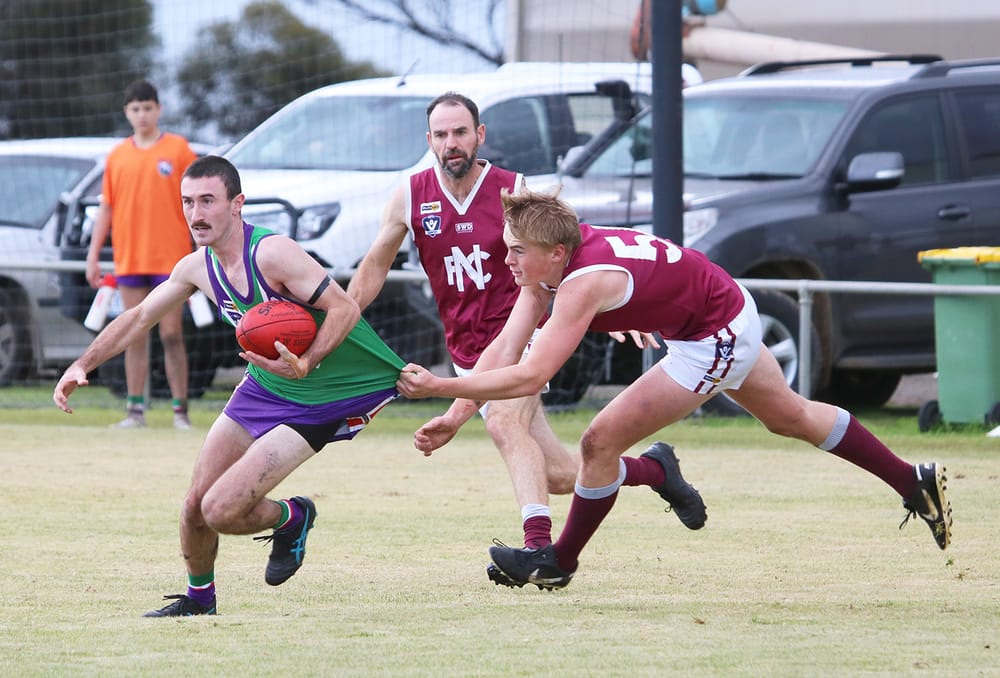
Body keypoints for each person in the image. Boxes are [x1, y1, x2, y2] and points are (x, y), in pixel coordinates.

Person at [397, 187, 953, 590]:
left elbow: (530, 375)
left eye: (516, 250)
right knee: (790, 417)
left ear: (556, 253)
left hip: (713, 336)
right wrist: (455, 412)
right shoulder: (553, 262)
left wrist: (440, 383)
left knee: (597, 444)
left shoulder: (578, 282)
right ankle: (913, 480)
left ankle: (557, 561)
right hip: (722, 306)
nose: (506, 257)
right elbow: (503, 351)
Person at [347, 92, 706, 586]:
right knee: (560, 475)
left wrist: (619, 302)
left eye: (461, 132)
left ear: (480, 135)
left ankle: (539, 552)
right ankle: (656, 471)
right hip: (469, 350)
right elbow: (374, 268)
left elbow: (575, 247)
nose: (452, 143)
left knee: (505, 426)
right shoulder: (409, 195)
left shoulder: (513, 191)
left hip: (526, 331)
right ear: (428, 140)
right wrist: (340, 320)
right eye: (442, 134)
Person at [55, 156, 405, 616]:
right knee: (194, 506)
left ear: (237, 204)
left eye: (208, 201)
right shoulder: (196, 267)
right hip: (265, 387)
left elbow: (344, 309)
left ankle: (293, 516)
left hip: (324, 393)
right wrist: (83, 363)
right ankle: (200, 600)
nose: (196, 214)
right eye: (187, 202)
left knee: (221, 510)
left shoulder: (273, 253)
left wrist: (307, 360)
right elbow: (139, 316)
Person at [86, 79, 199, 429]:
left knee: (171, 333)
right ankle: (135, 409)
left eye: (148, 107)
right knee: (134, 332)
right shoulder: (117, 156)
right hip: (131, 258)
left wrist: (201, 249)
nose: (142, 114)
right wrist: (94, 255)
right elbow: (106, 208)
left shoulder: (179, 150)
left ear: (158, 109)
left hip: (172, 260)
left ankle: (180, 410)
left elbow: (197, 201)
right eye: (135, 109)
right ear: (127, 113)